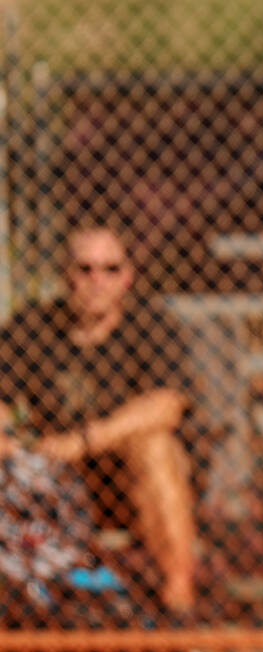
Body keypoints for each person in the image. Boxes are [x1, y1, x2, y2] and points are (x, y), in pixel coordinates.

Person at [0, 227, 202, 619]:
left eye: (110, 269)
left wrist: (85, 440)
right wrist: (12, 440)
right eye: (85, 269)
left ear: (128, 277)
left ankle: (179, 607)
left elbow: (167, 405)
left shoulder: (151, 326)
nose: (97, 282)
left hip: (130, 482)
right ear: (66, 276)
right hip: (55, 485)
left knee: (155, 445)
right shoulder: (32, 329)